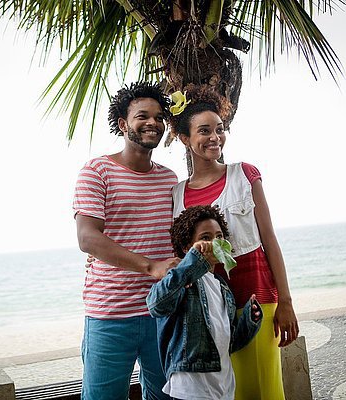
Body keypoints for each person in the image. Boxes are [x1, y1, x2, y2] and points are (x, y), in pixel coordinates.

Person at [167, 84, 299, 400]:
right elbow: (179, 254)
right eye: (204, 131)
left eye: (219, 129)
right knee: (229, 390)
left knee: (266, 386)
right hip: (209, 307)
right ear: (185, 139)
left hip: (256, 296)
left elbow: (269, 239)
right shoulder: (177, 193)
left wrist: (286, 302)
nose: (215, 137)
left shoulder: (245, 174)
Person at [72, 81, 180, 400]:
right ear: (123, 124)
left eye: (159, 117)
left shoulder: (169, 178)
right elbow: (87, 237)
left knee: (165, 397)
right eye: (142, 116)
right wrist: (150, 266)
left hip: (162, 311)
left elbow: (175, 237)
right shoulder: (96, 171)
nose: (153, 123)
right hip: (110, 313)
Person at [147, 205, 262, 400]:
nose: (213, 243)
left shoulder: (223, 287)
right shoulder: (183, 279)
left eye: (218, 236)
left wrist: (249, 322)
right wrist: (192, 260)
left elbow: (228, 342)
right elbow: (156, 304)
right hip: (191, 391)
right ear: (186, 247)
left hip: (224, 389)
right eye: (205, 238)